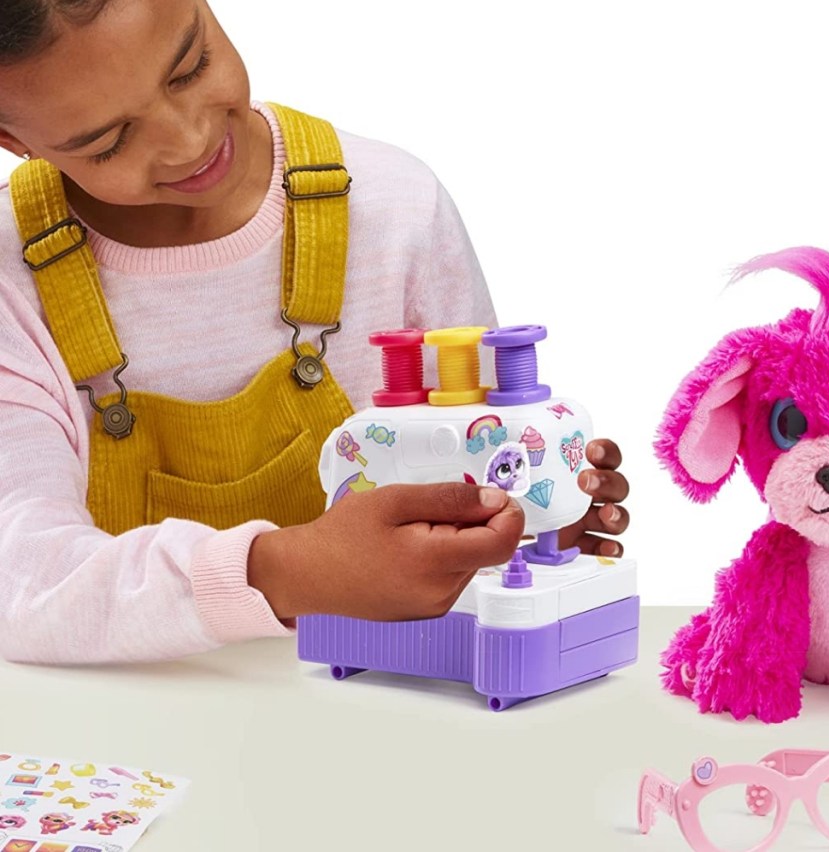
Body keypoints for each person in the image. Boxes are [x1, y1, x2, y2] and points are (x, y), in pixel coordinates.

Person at [0, 0, 630, 664]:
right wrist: (288, 570)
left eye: (191, 66)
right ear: (14, 140)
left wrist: (527, 523)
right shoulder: (15, 286)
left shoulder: (393, 210)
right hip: (136, 736)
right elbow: (24, 585)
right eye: (110, 141)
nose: (187, 140)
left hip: (377, 699)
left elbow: (481, 458)